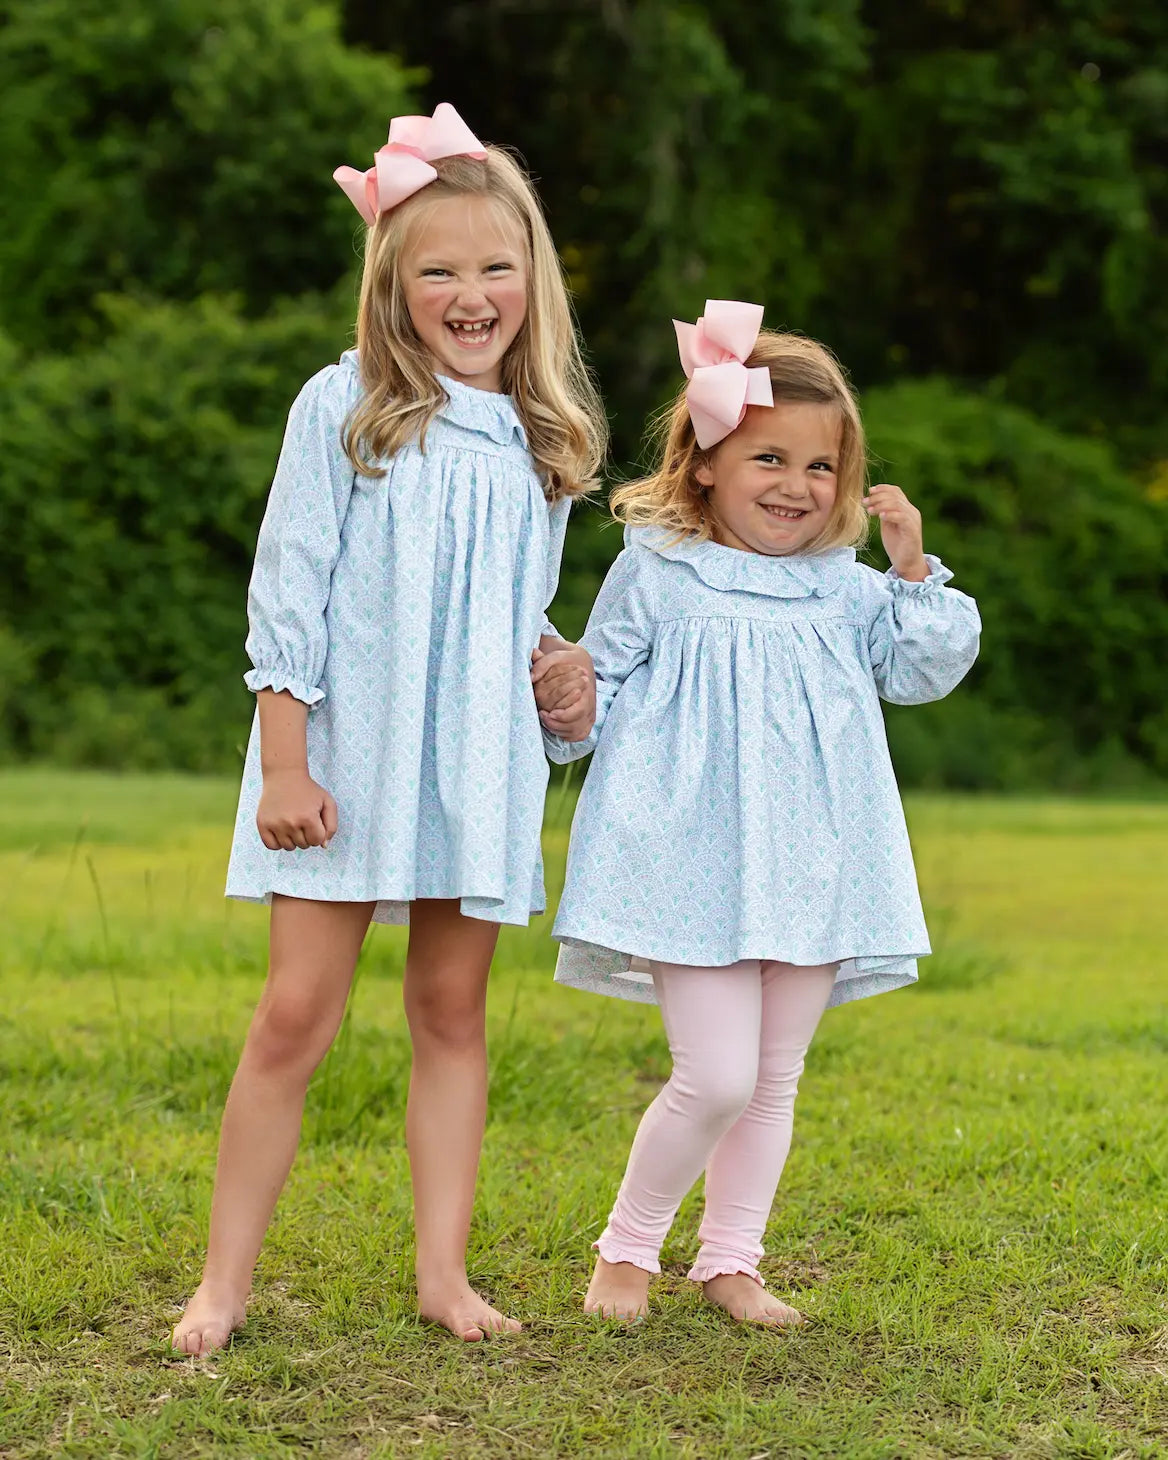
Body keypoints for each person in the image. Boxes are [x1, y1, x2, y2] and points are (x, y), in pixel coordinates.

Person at [171, 104, 604, 1355]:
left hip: (475, 756)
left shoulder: (547, 440)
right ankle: (222, 1284)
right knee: (296, 1011)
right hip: (344, 755)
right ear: (393, 283)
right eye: (439, 271)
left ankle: (444, 1275)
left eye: (494, 267)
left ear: (533, 279)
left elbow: (521, 619)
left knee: (453, 1014)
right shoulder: (349, 405)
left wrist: (566, 681)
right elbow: (288, 588)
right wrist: (285, 759)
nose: (471, 295)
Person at [540, 301, 980, 1325]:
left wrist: (911, 565)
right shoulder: (659, 564)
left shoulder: (845, 587)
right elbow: (593, 691)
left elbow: (921, 670)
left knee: (774, 1074)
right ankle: (626, 1248)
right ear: (703, 461)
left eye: (819, 468)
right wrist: (563, 688)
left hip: (816, 854)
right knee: (718, 1072)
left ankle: (731, 1256)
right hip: (684, 847)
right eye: (768, 460)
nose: (795, 486)